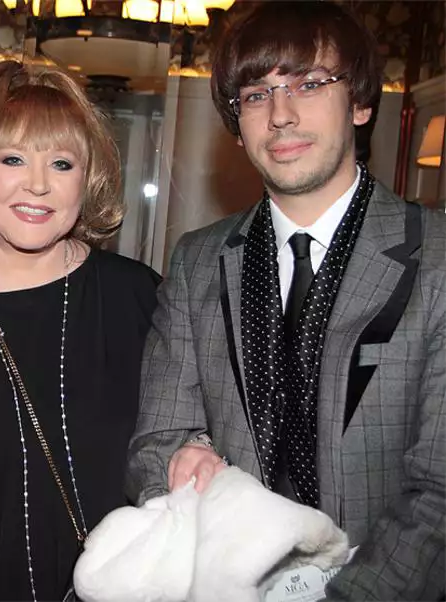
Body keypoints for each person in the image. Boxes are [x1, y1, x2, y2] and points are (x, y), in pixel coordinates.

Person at [126, 2, 446, 600]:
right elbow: (155, 443)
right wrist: (187, 457)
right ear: (237, 123)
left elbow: (440, 493)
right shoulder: (198, 261)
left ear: (360, 102)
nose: (280, 114)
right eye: (256, 94)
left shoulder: (437, 258)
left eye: (309, 84)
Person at [0, 59, 159, 601]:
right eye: (13, 158)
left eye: (62, 163)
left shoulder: (139, 296)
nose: (39, 184)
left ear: (86, 180)